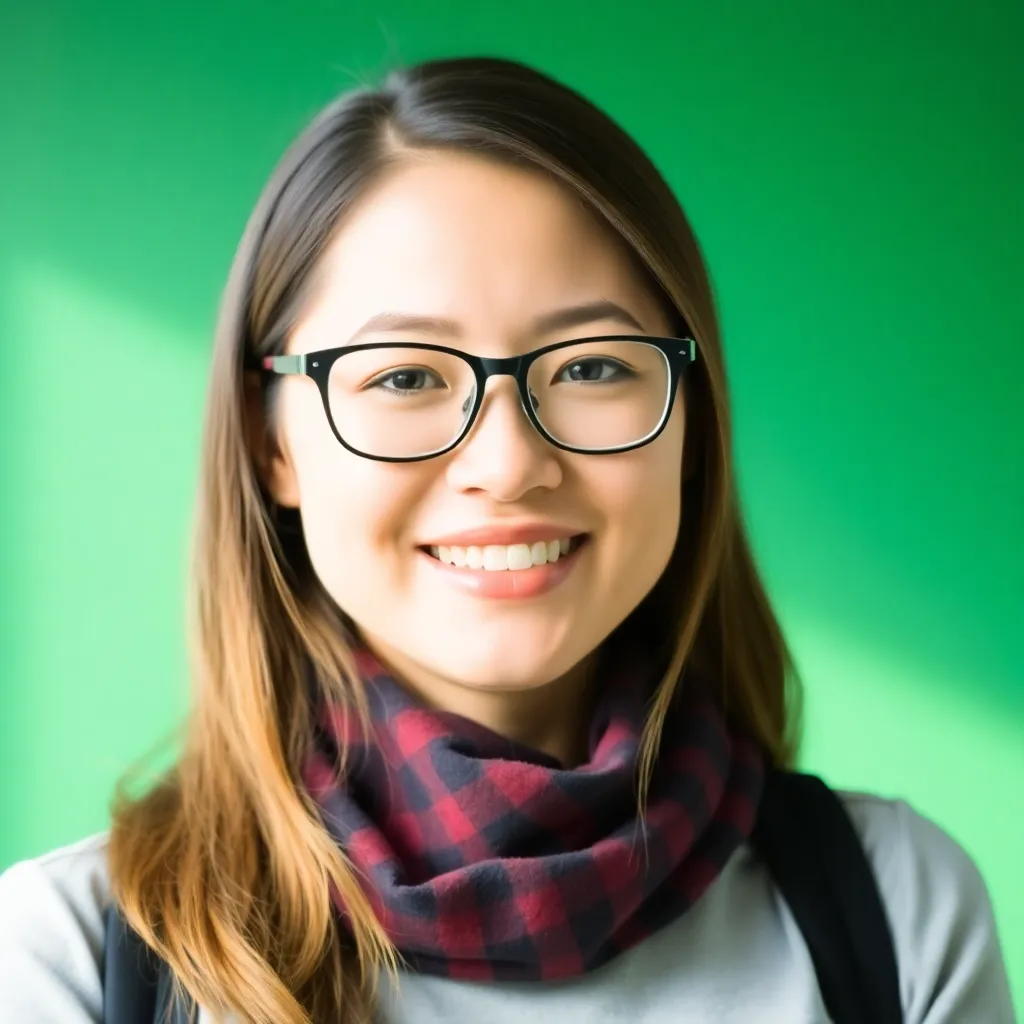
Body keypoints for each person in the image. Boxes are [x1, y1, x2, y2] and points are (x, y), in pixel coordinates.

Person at [0, 56, 1014, 1024]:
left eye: (589, 368)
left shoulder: (895, 904)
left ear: (692, 420)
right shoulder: (72, 956)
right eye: (403, 375)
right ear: (272, 442)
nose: (507, 462)